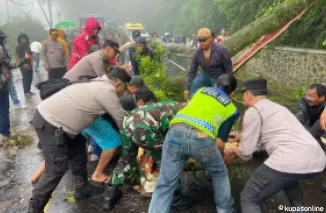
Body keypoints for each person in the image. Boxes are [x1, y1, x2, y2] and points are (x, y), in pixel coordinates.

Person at [27, 68, 131, 213]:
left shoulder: (98, 82)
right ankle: (35, 205)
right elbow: (122, 121)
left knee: (78, 151)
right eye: (124, 89)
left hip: (63, 124)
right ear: (119, 84)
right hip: (51, 123)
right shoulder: (107, 91)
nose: (123, 93)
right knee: (56, 167)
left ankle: (82, 188)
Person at [231, 79, 326, 213]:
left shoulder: (254, 111)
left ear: (248, 95)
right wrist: (243, 137)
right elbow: (273, 135)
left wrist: (235, 149)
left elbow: (246, 154)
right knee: (288, 179)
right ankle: (299, 208)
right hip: (317, 160)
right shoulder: (279, 108)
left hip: (289, 160)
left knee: (249, 198)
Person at [149, 74, 239, 213]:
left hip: (175, 133)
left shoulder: (200, 91)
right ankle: (225, 209)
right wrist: (220, 155)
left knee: (165, 183)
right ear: (231, 92)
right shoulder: (232, 109)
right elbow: (220, 143)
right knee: (219, 172)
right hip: (201, 138)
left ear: (215, 84)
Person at [103, 89, 189, 211]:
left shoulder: (152, 107)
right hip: (145, 128)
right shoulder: (179, 108)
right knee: (165, 159)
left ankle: (109, 195)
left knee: (126, 159)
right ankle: (175, 199)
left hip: (127, 123)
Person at [184, 28, 233, 99]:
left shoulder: (221, 50)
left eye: (204, 40)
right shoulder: (197, 53)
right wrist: (187, 88)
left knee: (216, 96)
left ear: (210, 39)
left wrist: (229, 87)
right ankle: (193, 102)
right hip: (205, 74)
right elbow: (192, 71)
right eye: (199, 40)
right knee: (195, 84)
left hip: (219, 76)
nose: (201, 43)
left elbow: (229, 69)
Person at [295, 84, 326, 150]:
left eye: (311, 96)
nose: (308, 98)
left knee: (312, 135)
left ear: (322, 98)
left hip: (322, 120)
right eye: (307, 95)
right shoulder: (305, 99)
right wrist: (295, 124)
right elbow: (301, 112)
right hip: (312, 120)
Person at [0, 30, 11, 141]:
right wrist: (23, 61)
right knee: (3, 109)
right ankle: (5, 133)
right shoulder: (2, 48)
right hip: (2, 83)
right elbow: (8, 63)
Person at [16, 34, 34, 98]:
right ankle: (26, 92)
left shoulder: (27, 46)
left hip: (29, 63)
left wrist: (32, 62)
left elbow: (30, 55)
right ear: (19, 40)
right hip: (23, 64)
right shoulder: (19, 47)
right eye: (22, 39)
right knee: (26, 78)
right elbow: (18, 57)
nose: (23, 40)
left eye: (24, 38)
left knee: (30, 78)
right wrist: (23, 64)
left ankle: (29, 90)